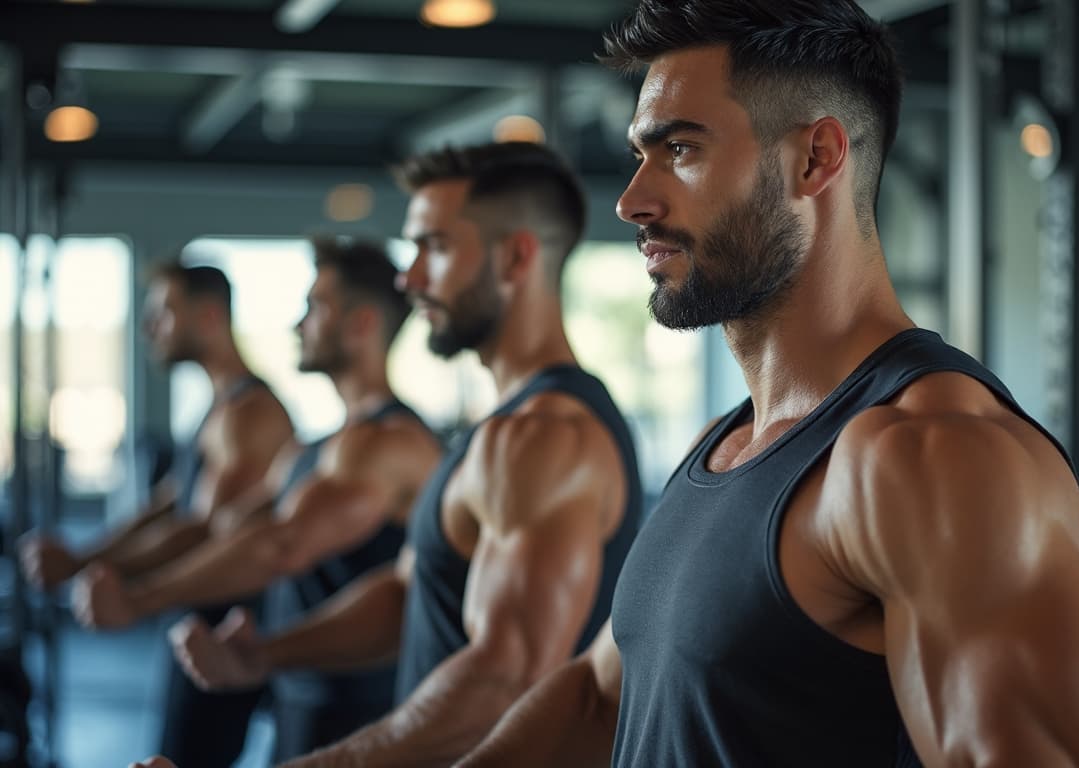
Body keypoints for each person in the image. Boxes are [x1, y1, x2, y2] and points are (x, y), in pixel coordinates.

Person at [456, 2, 1079, 766]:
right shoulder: (724, 448)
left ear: (816, 159)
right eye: (639, 155)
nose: (632, 202)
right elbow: (598, 699)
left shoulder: (935, 458)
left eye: (680, 149)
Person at [167, 142, 643, 767]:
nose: (408, 277)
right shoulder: (498, 429)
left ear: (515, 257)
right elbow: (408, 591)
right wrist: (267, 653)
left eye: (435, 248)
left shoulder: (545, 435)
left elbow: (503, 681)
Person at [73, 237, 442, 761]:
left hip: (360, 711)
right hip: (298, 692)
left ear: (361, 325)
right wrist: (97, 562)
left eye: (316, 308)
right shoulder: (316, 447)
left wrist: (138, 598)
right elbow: (227, 527)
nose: (298, 325)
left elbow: (281, 546)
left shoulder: (391, 443)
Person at [19, 262, 294, 768]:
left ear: (209, 316)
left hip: (225, 624)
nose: (150, 327)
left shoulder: (251, 415)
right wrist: (81, 558)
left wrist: (110, 579)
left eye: (164, 313)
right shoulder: (218, 408)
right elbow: (167, 506)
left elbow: (203, 531)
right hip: (192, 614)